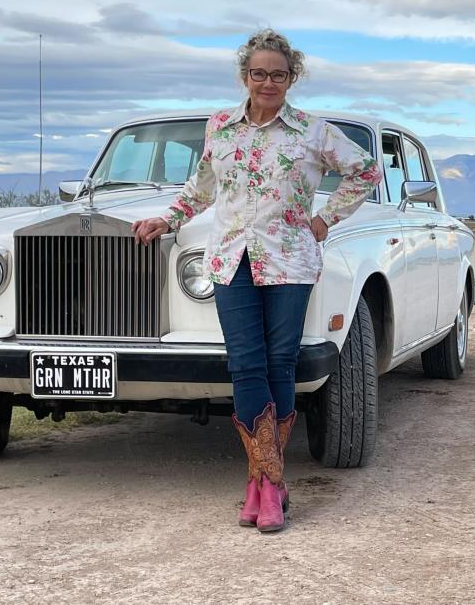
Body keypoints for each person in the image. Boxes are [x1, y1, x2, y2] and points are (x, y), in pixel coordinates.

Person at [132, 29, 382, 532]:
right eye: (259, 73)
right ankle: (267, 481)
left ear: (293, 78)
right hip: (231, 262)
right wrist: (170, 219)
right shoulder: (220, 126)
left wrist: (324, 218)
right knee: (245, 367)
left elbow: (366, 171)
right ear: (245, 76)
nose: (268, 82)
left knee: (279, 365)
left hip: (289, 261)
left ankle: (264, 485)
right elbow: (201, 186)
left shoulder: (312, 131)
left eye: (279, 74)